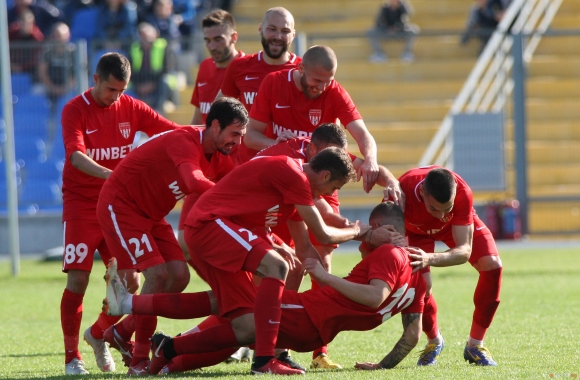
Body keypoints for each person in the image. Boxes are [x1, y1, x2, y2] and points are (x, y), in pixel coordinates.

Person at [103, 201, 427, 373]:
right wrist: (381, 367)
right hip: (312, 326)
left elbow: (374, 297)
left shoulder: (389, 253)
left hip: (306, 315)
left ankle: (158, 337)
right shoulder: (420, 275)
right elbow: (412, 335)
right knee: (229, 310)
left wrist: (325, 276)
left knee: (234, 315)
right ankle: (164, 353)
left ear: (385, 229)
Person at [96, 97, 248, 375]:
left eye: (241, 136)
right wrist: (236, 197)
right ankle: (139, 358)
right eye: (234, 134)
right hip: (121, 206)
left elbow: (234, 185)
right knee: (155, 276)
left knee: (179, 276)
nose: (237, 142)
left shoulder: (220, 155)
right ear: (215, 126)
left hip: (151, 215)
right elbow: (194, 182)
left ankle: (121, 332)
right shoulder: (185, 141)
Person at [59, 51, 181, 375]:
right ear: (96, 79)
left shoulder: (132, 107)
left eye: (122, 90)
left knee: (131, 282)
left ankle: (99, 334)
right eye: (111, 90)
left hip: (119, 207)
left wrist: (208, 132)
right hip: (82, 204)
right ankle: (72, 356)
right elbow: (76, 158)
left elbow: (173, 132)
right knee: (78, 279)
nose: (117, 97)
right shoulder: (74, 110)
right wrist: (116, 175)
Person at [385, 166, 502, 366]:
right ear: (422, 193)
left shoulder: (463, 192)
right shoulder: (401, 191)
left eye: (447, 208)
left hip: (453, 227)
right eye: (433, 209)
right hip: (416, 233)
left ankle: (475, 345)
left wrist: (428, 258)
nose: (440, 216)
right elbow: (386, 228)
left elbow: (463, 251)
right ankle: (434, 342)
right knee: (423, 286)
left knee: (492, 266)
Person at [245, 45, 380, 194]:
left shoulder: (335, 92)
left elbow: (362, 135)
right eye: (317, 80)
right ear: (301, 68)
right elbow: (250, 137)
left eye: (328, 81)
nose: (322, 87)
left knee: (327, 216)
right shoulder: (274, 82)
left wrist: (371, 160)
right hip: (281, 178)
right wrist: (275, 145)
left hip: (322, 184)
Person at [217, 6, 301, 162]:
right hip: (247, 167)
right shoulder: (239, 67)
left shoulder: (304, 72)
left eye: (285, 31)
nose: (278, 36)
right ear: (260, 29)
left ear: (293, 35)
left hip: (291, 168)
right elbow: (218, 112)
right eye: (272, 29)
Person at [129, 22, 177, 114]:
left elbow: (167, 68)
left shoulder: (164, 46)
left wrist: (151, 85)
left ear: (155, 34)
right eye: (142, 35)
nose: (145, 38)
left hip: (158, 82)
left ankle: (157, 112)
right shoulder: (134, 48)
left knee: (165, 81)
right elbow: (129, 70)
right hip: (139, 83)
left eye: (147, 35)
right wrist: (139, 86)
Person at [37, 22, 76, 108]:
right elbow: (42, 73)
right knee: (36, 92)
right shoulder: (47, 52)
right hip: (49, 86)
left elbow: (79, 74)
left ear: (67, 36)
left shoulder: (74, 52)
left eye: (59, 35)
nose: (56, 38)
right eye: (55, 35)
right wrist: (53, 88)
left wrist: (66, 88)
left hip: (70, 87)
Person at [8, 8, 44, 78]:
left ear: (32, 23)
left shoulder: (37, 37)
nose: (24, 26)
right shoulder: (12, 33)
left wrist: (22, 67)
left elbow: (37, 57)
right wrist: (11, 65)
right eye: (22, 23)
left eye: (27, 23)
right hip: (12, 66)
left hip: (30, 68)